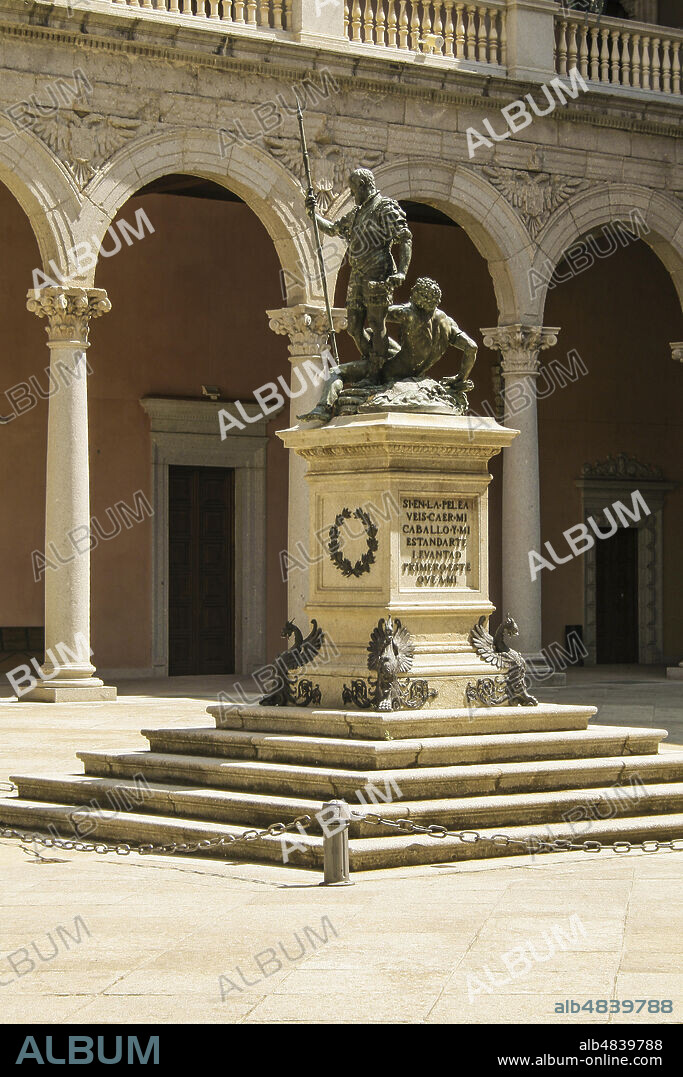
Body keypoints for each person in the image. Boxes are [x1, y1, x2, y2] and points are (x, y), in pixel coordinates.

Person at [305, 167, 412, 375]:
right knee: (353, 326)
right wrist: (313, 214)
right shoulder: (356, 213)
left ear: (363, 186)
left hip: (378, 272)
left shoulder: (385, 207)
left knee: (376, 322)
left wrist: (401, 272)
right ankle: (376, 364)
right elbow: (333, 229)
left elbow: (404, 237)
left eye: (354, 191)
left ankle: (377, 371)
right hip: (357, 274)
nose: (353, 196)